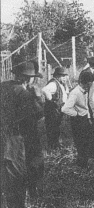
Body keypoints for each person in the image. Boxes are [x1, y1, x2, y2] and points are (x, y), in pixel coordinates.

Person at [1, 62, 45, 206]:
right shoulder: (24, 93)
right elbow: (37, 115)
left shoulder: (3, 86)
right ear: (27, 78)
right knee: (16, 175)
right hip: (15, 139)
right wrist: (37, 97)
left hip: (3, 134)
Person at [62, 71, 94, 169]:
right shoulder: (75, 93)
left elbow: (85, 107)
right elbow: (65, 109)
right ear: (87, 82)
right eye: (90, 82)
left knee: (86, 142)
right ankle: (81, 165)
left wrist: (88, 118)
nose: (92, 84)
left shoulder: (85, 90)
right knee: (80, 142)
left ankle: (84, 163)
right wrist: (76, 114)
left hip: (84, 119)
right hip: (78, 121)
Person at [42, 66, 69, 149]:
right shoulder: (53, 83)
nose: (65, 78)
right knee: (52, 127)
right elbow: (44, 90)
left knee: (56, 126)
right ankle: (52, 145)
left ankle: (55, 144)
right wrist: (51, 99)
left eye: (65, 76)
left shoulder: (61, 84)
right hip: (52, 109)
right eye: (62, 76)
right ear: (57, 76)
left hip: (58, 109)